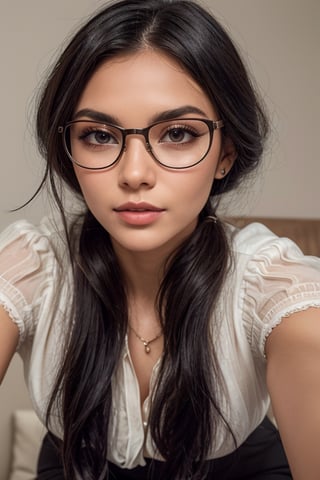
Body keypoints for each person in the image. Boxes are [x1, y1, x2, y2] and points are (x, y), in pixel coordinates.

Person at [0, 0, 320, 478]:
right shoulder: (33, 266)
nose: (133, 174)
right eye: (99, 135)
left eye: (177, 132)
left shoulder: (269, 286)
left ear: (225, 153)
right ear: (69, 150)